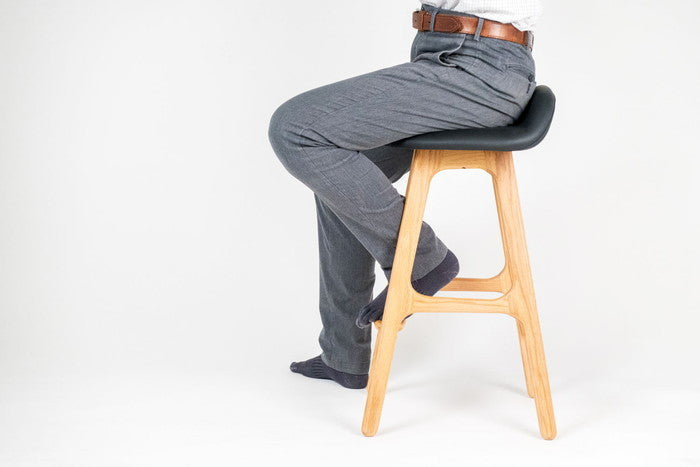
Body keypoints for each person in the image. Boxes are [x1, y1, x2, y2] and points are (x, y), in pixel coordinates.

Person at [268, 1, 542, 389]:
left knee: (295, 129)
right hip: (449, 57)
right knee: (340, 176)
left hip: (480, 67)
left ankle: (420, 258)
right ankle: (343, 355)